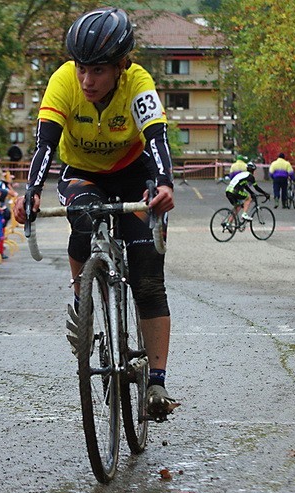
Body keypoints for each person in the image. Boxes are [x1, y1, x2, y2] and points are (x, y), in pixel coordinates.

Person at [14, 7, 178, 417]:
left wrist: (164, 183)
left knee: (147, 279)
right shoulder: (63, 82)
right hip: (81, 172)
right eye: (82, 68)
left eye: (99, 70)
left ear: (122, 66)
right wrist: (31, 191)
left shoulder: (138, 82)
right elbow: (45, 145)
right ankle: (83, 300)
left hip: (133, 172)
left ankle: (156, 384)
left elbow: (156, 137)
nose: (88, 80)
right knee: (83, 216)